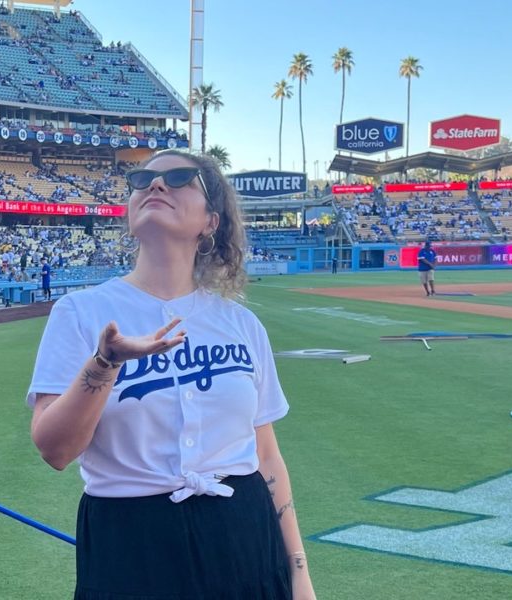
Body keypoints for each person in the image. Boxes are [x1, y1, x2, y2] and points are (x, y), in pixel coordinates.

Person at [27, 150, 317, 600]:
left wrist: (299, 572)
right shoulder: (81, 313)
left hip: (243, 534)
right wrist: (105, 363)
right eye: (142, 179)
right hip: (131, 542)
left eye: (179, 178)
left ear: (211, 222)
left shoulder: (241, 325)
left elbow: (267, 457)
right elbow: (55, 449)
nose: (155, 185)